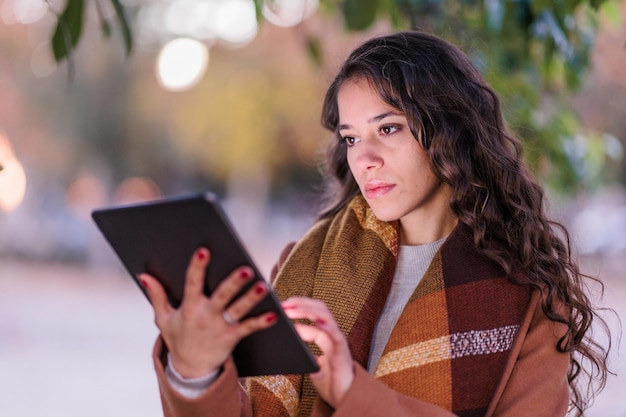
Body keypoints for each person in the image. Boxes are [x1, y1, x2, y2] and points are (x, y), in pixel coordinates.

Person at [139, 31, 610, 417]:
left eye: (388, 129)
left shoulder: (529, 297)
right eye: (350, 138)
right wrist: (195, 372)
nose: (364, 159)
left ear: (451, 129)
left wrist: (351, 391)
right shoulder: (306, 263)